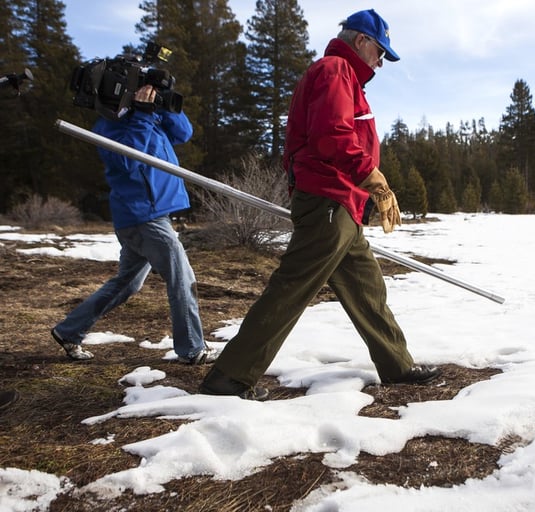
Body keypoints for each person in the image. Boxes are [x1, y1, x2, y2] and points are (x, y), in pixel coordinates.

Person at [200, 9, 440, 400]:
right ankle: (229, 377)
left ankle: (397, 365)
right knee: (292, 288)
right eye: (380, 52)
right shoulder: (335, 71)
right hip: (328, 199)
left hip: (343, 200)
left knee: (367, 287)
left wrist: (363, 188)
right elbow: (332, 135)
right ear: (361, 40)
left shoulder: (346, 78)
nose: (380, 62)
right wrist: (373, 178)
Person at [51, 84, 217, 365]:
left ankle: (69, 330)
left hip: (149, 215)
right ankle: (192, 349)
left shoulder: (147, 118)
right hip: (144, 218)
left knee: (126, 283)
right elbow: (128, 161)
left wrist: (162, 102)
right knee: (182, 280)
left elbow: (183, 133)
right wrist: (140, 115)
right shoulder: (109, 127)